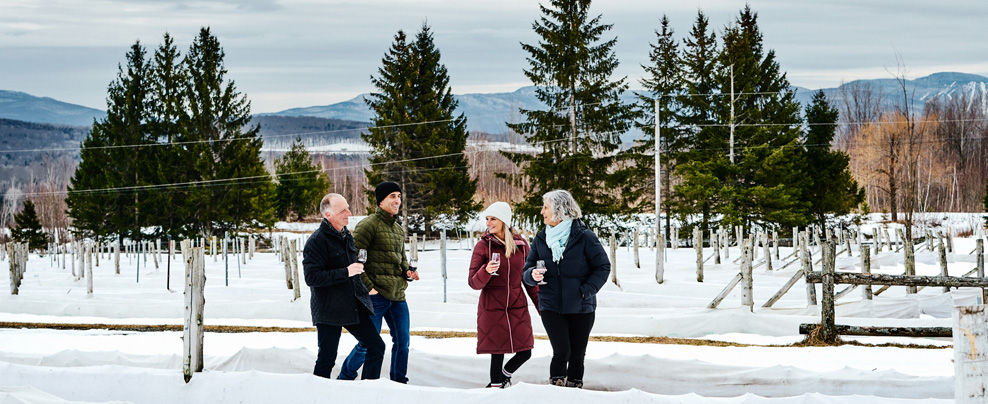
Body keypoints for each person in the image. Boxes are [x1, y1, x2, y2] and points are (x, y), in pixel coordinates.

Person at [522, 190, 610, 389]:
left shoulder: (584, 236)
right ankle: (556, 391)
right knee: (561, 351)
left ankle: (575, 391)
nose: (542, 212)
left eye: (545, 207)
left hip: (581, 306)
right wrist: (532, 276)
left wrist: (586, 290)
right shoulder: (541, 238)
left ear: (559, 210)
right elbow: (526, 269)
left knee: (577, 355)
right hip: (551, 305)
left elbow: (603, 266)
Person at [338, 181, 419, 383]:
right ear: (381, 200)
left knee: (403, 342)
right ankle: (345, 376)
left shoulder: (398, 229)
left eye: (399, 196)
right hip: (375, 296)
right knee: (367, 343)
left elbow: (401, 261)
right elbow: (354, 260)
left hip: (398, 295)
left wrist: (408, 273)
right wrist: (369, 288)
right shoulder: (368, 225)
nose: (397, 200)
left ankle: (398, 381)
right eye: (392, 196)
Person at [302, 193, 385, 379]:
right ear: (328, 215)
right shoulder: (316, 242)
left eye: (348, 207)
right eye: (343, 210)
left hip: (352, 304)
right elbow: (312, 277)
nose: (349, 212)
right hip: (329, 308)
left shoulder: (346, 235)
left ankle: (368, 391)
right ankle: (317, 397)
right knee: (326, 359)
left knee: (376, 347)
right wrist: (346, 272)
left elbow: (353, 270)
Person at [468, 202, 540, 388]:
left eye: (493, 219)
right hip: (492, 306)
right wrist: (486, 271)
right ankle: (495, 388)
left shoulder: (522, 245)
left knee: (526, 351)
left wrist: (542, 308)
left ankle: (503, 377)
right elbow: (473, 283)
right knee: (497, 352)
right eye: (487, 219)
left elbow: (529, 280)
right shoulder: (482, 246)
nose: (488, 223)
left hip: (517, 304)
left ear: (504, 221)